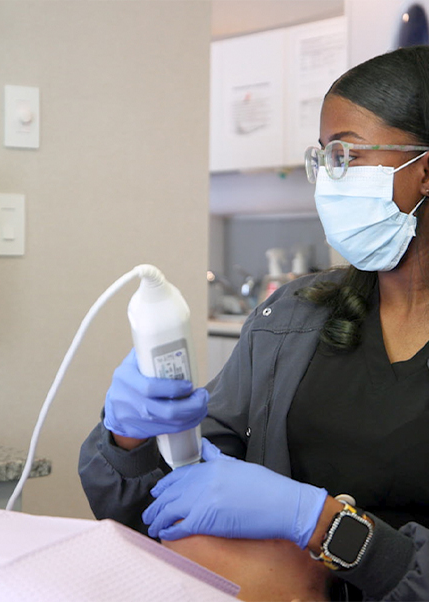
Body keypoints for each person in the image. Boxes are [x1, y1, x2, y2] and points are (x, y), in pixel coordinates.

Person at [79, 45, 429, 601]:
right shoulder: (293, 318)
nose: (327, 179)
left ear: (425, 170)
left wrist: (321, 523)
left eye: (348, 156)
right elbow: (159, 510)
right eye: (323, 158)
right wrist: (131, 439)